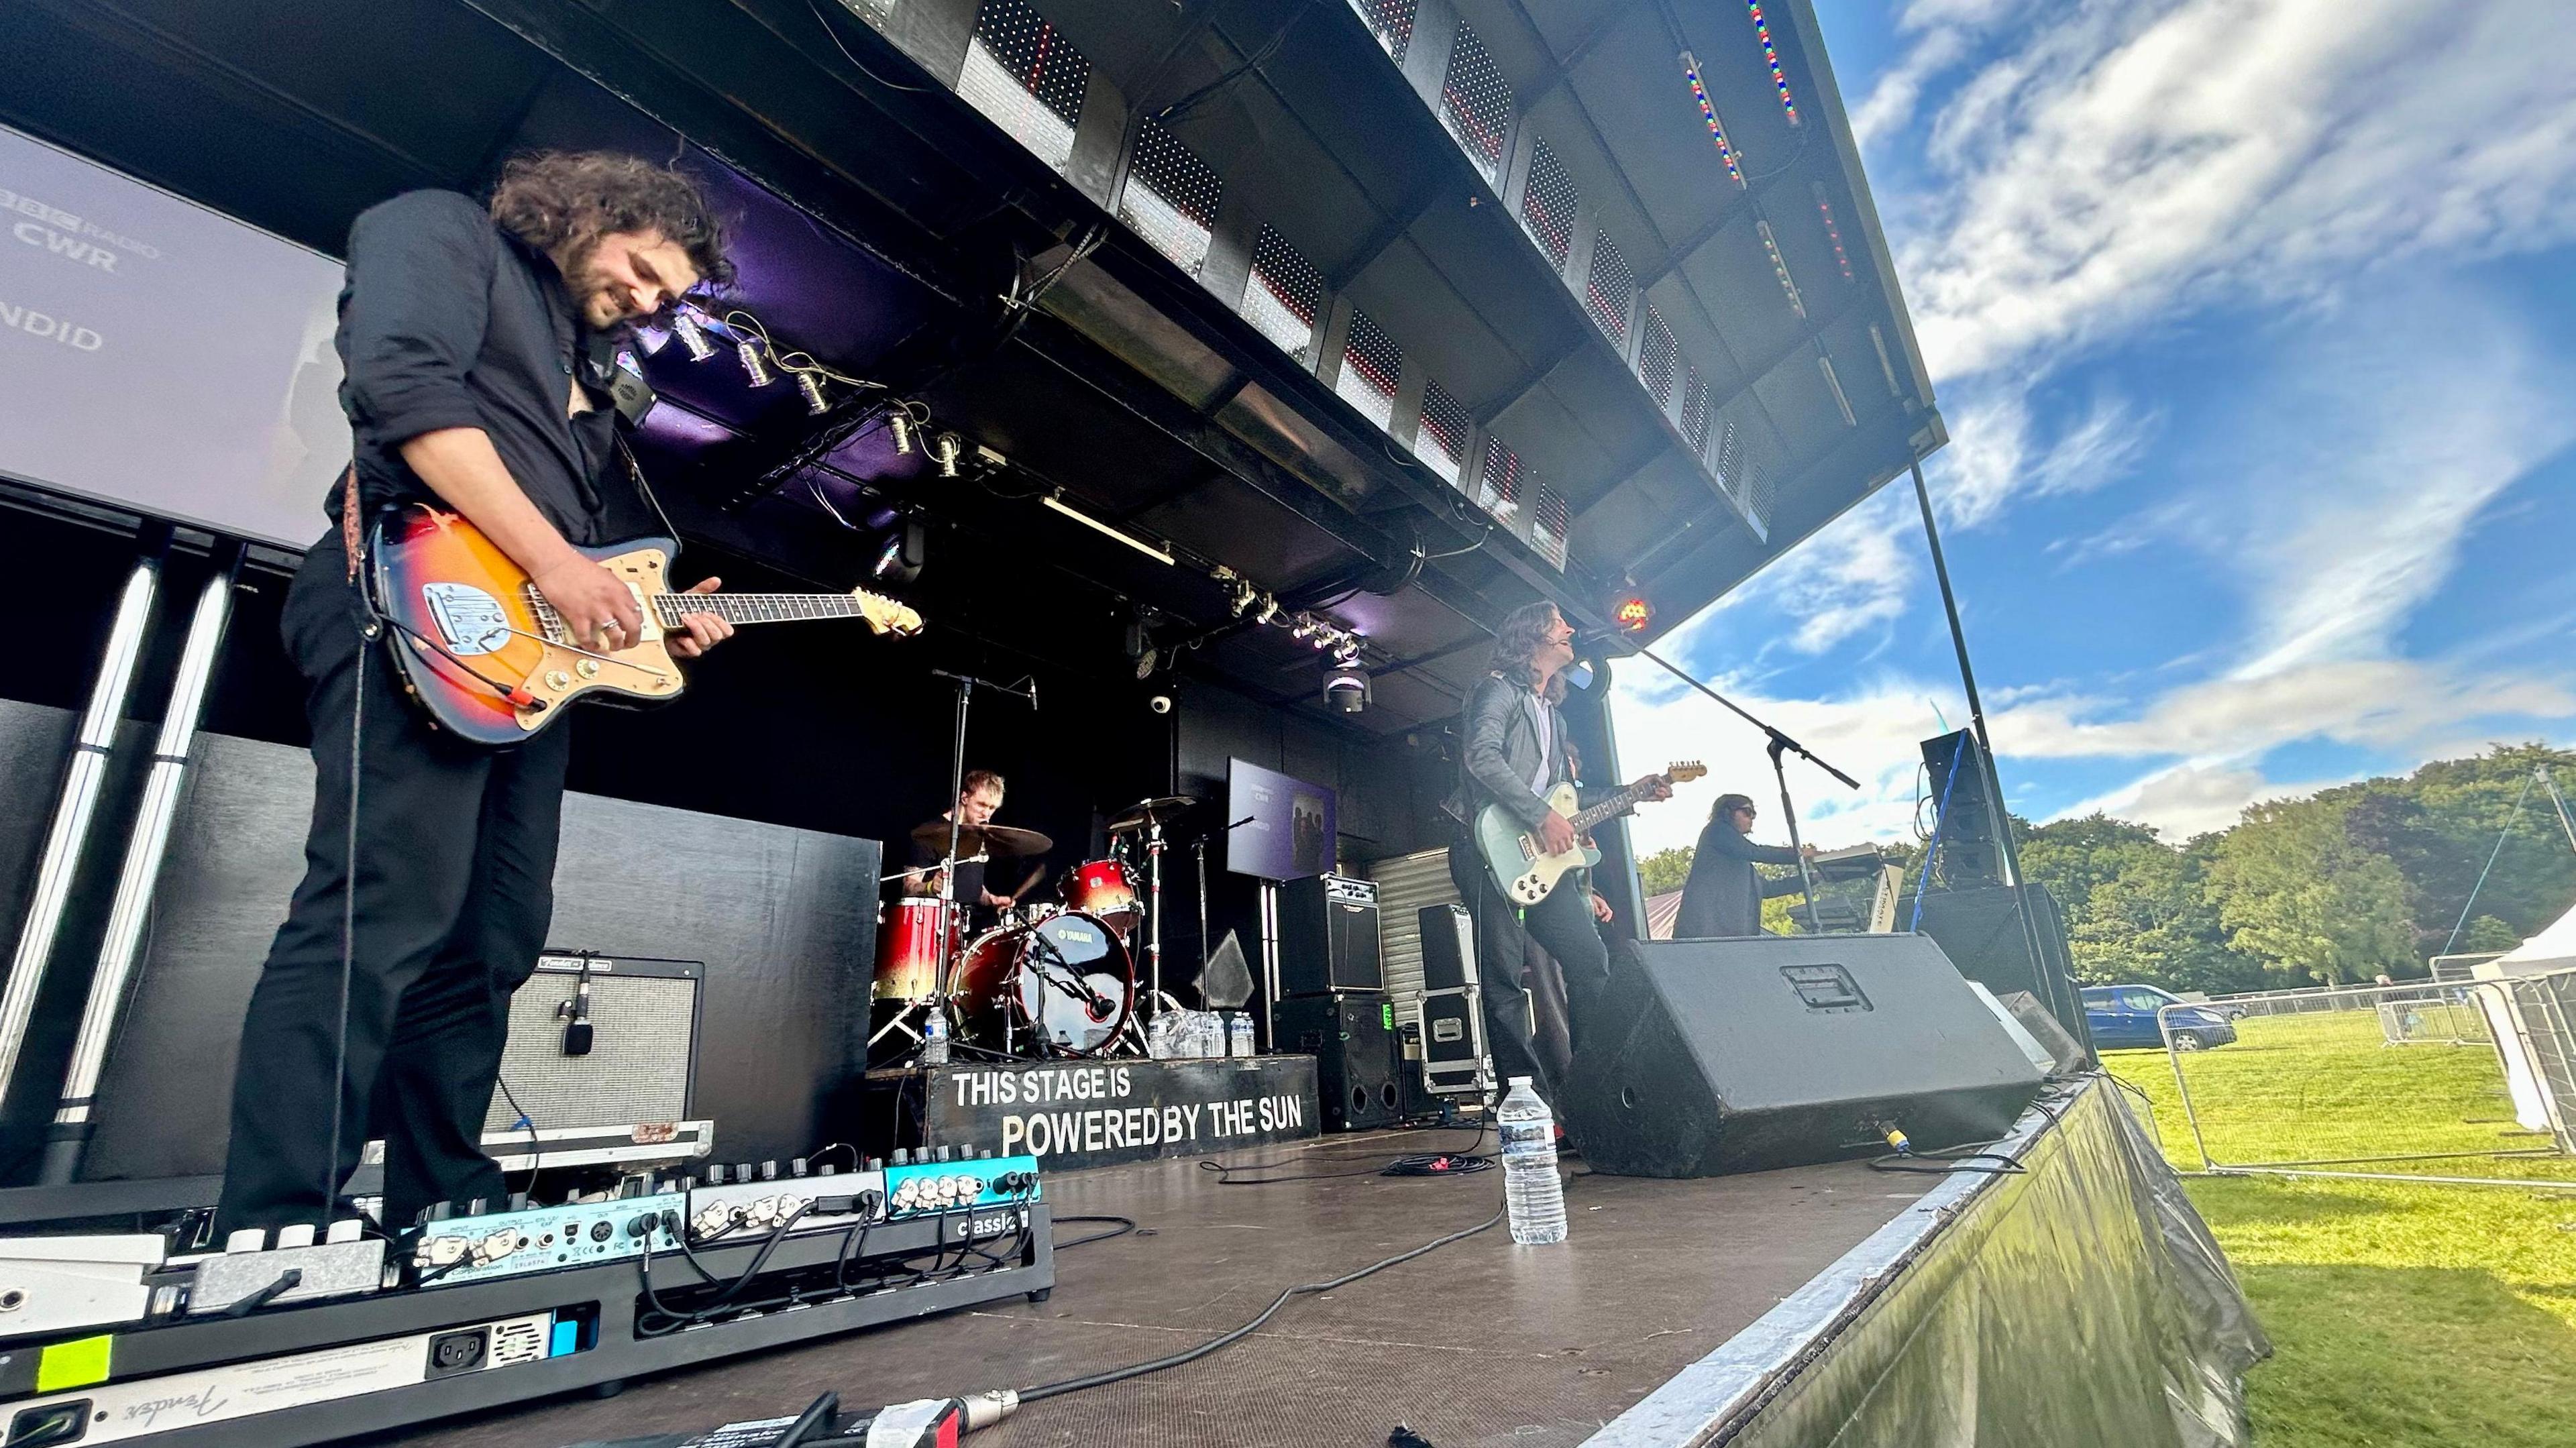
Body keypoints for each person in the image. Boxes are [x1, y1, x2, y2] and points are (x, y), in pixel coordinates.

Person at [215, 152, 737, 1235]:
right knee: (381, 900)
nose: (648, 301)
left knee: (496, 929)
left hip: (512, 659)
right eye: (643, 269)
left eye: (667, 297)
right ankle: (271, 1220)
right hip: (397, 594)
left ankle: (439, 1196)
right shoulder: (443, 231)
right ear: (599, 209)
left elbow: (578, 566)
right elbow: (401, 386)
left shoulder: (586, 373)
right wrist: (557, 561)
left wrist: (640, 618)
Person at [1443, 602, 1668, 1095]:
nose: (1570, 630)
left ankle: (1590, 1093)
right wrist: (1542, 817)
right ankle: (1525, 1101)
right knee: (1503, 979)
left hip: (1540, 859)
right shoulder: (1498, 688)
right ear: (1533, 638)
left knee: (1589, 962)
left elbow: (1565, 798)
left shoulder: (1555, 717)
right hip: (1485, 846)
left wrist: (1630, 792)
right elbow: (1482, 757)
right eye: (1559, 623)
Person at [1672, 794, 1815, 938]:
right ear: (1728, 811)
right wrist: (1799, 854)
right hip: (1704, 933)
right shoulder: (1717, 830)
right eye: (1747, 812)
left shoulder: (1740, 860)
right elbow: (1755, 852)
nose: (1751, 818)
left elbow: (1768, 889)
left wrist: (1812, 879)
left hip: (1725, 937)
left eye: (1754, 815)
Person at [904, 769, 1026, 931]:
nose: (987, 813)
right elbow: (908, 886)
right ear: (964, 798)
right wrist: (931, 887)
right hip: (932, 926)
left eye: (992, 808)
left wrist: (990, 899)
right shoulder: (930, 834)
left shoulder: (979, 835)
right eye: (982, 805)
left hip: (969, 928)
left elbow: (971, 886)